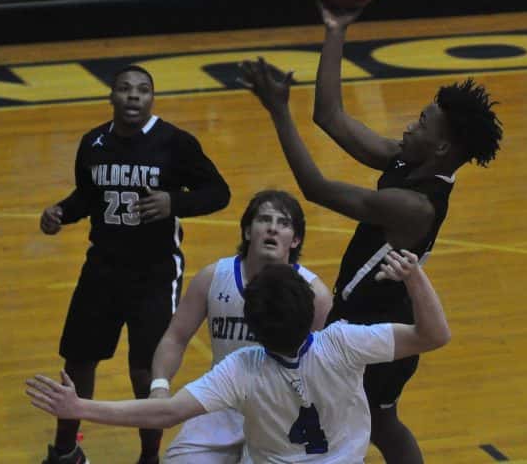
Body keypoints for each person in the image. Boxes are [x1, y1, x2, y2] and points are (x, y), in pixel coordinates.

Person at [236, 3, 502, 464]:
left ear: (441, 147)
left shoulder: (415, 206)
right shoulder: (408, 160)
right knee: (373, 421)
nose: (410, 125)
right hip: (357, 314)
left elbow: (315, 188)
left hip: (380, 328)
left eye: (422, 122)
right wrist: (335, 29)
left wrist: (279, 111)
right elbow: (330, 115)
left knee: (369, 422)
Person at [27, 250, 451, 463]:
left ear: (254, 328)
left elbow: (165, 413)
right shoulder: (342, 342)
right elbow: (434, 335)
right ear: (310, 311)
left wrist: (79, 407)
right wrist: (414, 277)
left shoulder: (244, 368)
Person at [37, 64, 231, 464]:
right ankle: (66, 451)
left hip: (155, 272)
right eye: (125, 89)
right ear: (111, 96)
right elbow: (87, 196)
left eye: (142, 90)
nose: (133, 96)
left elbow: (218, 192)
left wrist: (173, 202)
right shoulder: (93, 143)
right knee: (79, 360)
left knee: (146, 371)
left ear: (152, 98)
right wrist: (60, 213)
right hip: (102, 268)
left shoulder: (174, 142)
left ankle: (149, 457)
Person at [149, 189, 333, 462]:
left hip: (281, 410)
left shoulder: (315, 294)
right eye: (264, 219)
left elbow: (325, 368)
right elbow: (175, 338)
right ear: (247, 231)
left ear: (295, 240)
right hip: (220, 403)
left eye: (283, 223)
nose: (272, 228)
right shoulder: (213, 277)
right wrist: (160, 386)